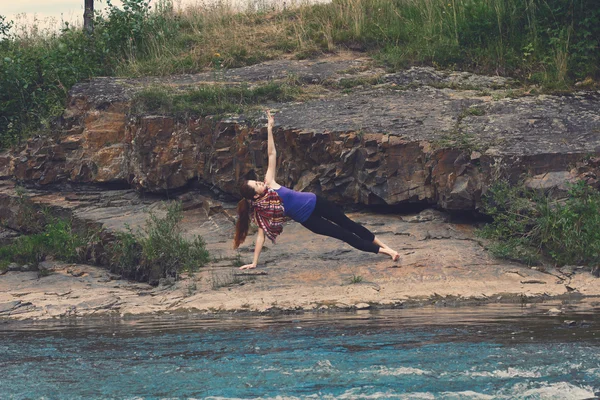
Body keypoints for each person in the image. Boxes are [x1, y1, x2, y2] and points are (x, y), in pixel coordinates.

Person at [233, 110, 400, 270]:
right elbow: (261, 236)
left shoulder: (269, 183)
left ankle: (386, 246)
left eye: (257, 181)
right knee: (344, 235)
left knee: (349, 224)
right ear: (255, 195)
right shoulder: (263, 210)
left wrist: (269, 128)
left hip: (316, 202)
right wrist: (254, 262)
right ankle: (386, 252)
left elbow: (271, 154)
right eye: (257, 185)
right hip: (310, 221)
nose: (260, 183)